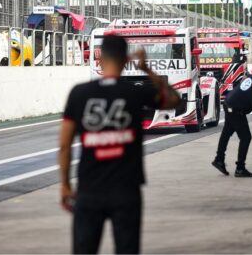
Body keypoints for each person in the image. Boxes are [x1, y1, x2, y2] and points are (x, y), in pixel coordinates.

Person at [58, 35, 180, 254]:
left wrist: (65, 185)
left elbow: (64, 146)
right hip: (126, 191)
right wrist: (146, 69)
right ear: (126, 60)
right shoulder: (135, 92)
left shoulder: (79, 93)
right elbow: (174, 100)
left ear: (99, 59)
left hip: (89, 190)